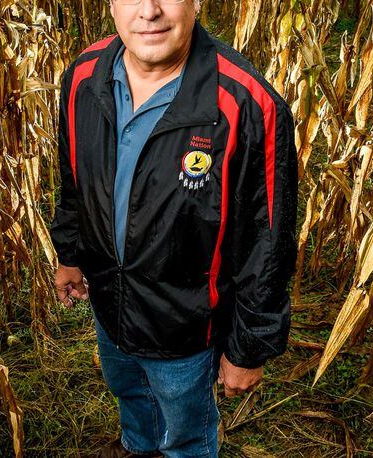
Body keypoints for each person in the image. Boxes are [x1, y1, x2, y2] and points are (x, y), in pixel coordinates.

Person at [51, 0, 297, 456]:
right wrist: (69, 255)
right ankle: (137, 446)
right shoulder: (83, 78)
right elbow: (74, 179)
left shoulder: (247, 103)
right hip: (110, 305)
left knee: (185, 432)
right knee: (129, 396)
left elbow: (269, 243)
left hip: (186, 330)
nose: (149, 11)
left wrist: (248, 348)